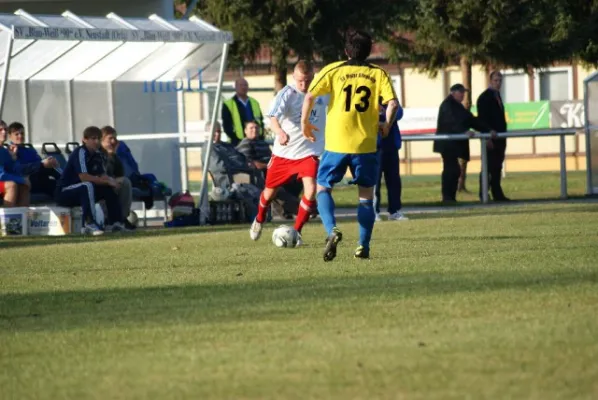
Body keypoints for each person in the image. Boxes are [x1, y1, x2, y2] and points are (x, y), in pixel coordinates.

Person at [302, 29, 399, 261]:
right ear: (369, 51)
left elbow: (309, 96)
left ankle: (331, 230)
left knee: (323, 187)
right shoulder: (378, 73)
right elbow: (393, 104)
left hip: (336, 143)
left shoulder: (333, 70)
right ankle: (362, 246)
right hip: (365, 144)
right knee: (366, 196)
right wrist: (385, 125)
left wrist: (304, 123)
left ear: (346, 51)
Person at [249, 60, 328, 245]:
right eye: (300, 81)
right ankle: (259, 219)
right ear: (294, 77)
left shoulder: (323, 93)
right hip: (284, 154)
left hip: (309, 152)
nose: (303, 85)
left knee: (311, 190)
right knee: (269, 194)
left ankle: (296, 232)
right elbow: (273, 116)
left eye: (307, 80)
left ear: (313, 77)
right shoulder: (287, 93)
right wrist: (280, 132)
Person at [55, 126, 127, 235]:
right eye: (93, 139)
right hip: (65, 191)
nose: (96, 142)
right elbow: (83, 177)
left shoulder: (97, 155)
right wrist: (106, 181)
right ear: (84, 140)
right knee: (87, 185)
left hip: (85, 191)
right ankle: (88, 223)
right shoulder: (80, 152)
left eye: (98, 138)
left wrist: (111, 181)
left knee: (108, 188)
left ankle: (115, 223)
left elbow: (102, 175)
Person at [433, 84, 494, 204]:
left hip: (452, 145)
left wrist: (487, 129)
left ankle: (450, 197)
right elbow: (450, 122)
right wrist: (463, 131)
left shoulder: (458, 106)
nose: (463, 94)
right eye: (460, 92)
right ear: (453, 92)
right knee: (451, 170)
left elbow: (471, 120)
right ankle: (447, 197)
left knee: (454, 170)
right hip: (447, 144)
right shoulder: (447, 105)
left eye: (463, 92)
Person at [0, 120, 58, 207]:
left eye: (5, 129)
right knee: (12, 185)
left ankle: (21, 218)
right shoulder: (9, 149)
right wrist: (21, 179)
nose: (4, 132)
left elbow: (15, 169)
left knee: (25, 186)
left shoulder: (5, 151)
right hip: (8, 180)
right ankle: (9, 219)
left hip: (31, 176)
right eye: (0, 130)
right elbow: (2, 174)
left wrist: (14, 159)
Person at [476, 71, 510, 201]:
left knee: (497, 166)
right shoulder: (484, 98)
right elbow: (482, 119)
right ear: (490, 81)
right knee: (487, 166)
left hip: (500, 138)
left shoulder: (497, 96)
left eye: (500, 80)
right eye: (496, 80)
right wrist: (487, 136)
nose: (498, 83)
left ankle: (497, 193)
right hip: (490, 137)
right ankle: (483, 193)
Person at [374, 97, 408, 222]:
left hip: (391, 145)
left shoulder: (390, 97)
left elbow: (398, 113)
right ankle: (374, 211)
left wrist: (384, 111)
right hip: (373, 146)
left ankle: (395, 211)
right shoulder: (368, 94)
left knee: (394, 180)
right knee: (374, 181)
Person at [100, 126, 137, 230]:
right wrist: (111, 181)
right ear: (101, 140)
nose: (114, 141)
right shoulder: (97, 155)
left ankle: (121, 218)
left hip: (109, 184)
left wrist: (112, 155)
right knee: (122, 182)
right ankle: (111, 219)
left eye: (115, 138)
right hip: (97, 184)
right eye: (110, 138)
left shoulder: (113, 156)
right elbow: (98, 174)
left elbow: (120, 174)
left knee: (125, 182)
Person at [222, 78, 265, 146]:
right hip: (237, 143)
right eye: (241, 85)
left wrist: (261, 136)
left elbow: (260, 121)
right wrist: (235, 139)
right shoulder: (228, 104)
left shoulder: (254, 102)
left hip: (256, 141)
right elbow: (226, 125)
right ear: (235, 87)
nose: (243, 87)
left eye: (245, 85)